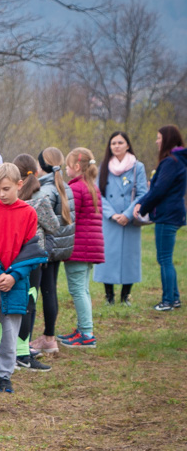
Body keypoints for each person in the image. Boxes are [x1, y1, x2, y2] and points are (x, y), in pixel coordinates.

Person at [0, 163, 47, 393]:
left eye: (6, 189)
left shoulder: (28, 213)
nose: (1, 194)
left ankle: (5, 374)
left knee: (11, 327)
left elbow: (31, 252)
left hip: (16, 281)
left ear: (19, 185)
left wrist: (14, 276)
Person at [134, 125, 187, 311]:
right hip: (173, 213)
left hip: (167, 215)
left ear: (167, 139)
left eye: (159, 138)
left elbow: (159, 190)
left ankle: (167, 301)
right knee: (167, 258)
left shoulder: (170, 162)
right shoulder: (177, 160)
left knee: (164, 258)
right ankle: (174, 298)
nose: (157, 141)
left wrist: (142, 205)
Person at [13, 155, 57, 372]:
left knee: (15, 303)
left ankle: (15, 349)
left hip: (12, 258)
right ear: (35, 173)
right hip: (33, 259)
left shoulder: (11, 197)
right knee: (30, 303)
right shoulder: (40, 199)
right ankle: (22, 351)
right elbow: (54, 225)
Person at [94, 132, 147, 306]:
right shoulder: (104, 167)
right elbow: (97, 193)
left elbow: (142, 194)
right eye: (113, 143)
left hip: (129, 220)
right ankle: (109, 296)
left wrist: (127, 214)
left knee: (129, 258)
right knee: (107, 256)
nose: (116, 146)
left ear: (127, 145)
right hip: (109, 220)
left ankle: (126, 296)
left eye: (120, 142)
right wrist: (112, 214)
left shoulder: (137, 167)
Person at [29, 148, 74, 354]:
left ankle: (48, 337)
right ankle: (49, 335)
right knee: (50, 290)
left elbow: (43, 219)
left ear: (41, 166)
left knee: (43, 291)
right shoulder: (63, 185)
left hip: (47, 246)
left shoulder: (45, 190)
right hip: (60, 247)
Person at [60, 148, 104, 348]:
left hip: (79, 247)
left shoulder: (76, 188)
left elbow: (68, 216)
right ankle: (83, 328)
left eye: (67, 165)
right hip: (90, 246)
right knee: (83, 289)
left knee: (78, 290)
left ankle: (86, 334)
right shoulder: (92, 186)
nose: (66, 169)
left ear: (76, 167)